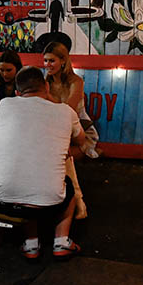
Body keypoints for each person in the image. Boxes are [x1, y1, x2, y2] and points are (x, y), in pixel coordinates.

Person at [0, 66, 85, 260]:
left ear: (17, 93)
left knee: (25, 172)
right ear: (47, 88)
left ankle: (31, 243)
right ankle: (61, 242)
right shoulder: (65, 112)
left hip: (1, 199)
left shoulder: (5, 105)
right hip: (50, 203)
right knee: (70, 188)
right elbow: (81, 143)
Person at [43, 41, 100, 220]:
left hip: (80, 130)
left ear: (63, 61)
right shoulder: (45, 81)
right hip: (55, 129)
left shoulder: (76, 81)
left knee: (61, 153)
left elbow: (69, 111)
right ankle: (70, 201)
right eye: (45, 61)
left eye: (51, 61)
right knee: (58, 153)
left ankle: (78, 201)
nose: (47, 65)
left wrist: (47, 99)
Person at [0, 50, 22, 121]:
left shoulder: (23, 82)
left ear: (17, 68)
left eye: (9, 70)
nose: (5, 74)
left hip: (19, 117)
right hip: (0, 117)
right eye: (1, 70)